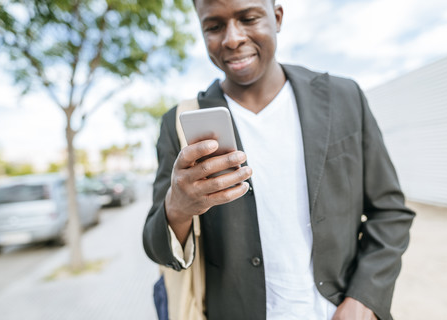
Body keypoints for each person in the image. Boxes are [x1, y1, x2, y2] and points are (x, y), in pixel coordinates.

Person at [143, 0, 415, 319]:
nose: (232, 38)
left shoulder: (344, 98)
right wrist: (177, 208)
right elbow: (155, 247)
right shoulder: (180, 124)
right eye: (214, 26)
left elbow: (390, 212)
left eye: (248, 18)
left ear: (277, 17)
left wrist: (364, 298)